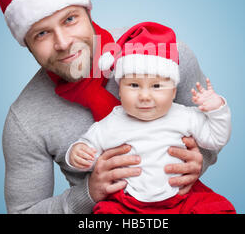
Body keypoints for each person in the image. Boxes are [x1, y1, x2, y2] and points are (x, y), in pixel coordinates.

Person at [0, 0, 219, 214]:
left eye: (70, 19)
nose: (63, 43)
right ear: (26, 45)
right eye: (41, 34)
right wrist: (88, 194)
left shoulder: (166, 56)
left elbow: (211, 129)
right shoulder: (26, 121)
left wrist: (200, 159)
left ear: (88, 13)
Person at [67, 22, 235, 214]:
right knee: (105, 213)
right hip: (127, 203)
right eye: (134, 85)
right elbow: (89, 152)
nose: (145, 96)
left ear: (173, 91)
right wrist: (77, 154)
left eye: (156, 86)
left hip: (181, 198)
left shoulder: (184, 116)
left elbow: (216, 139)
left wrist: (217, 109)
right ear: (120, 90)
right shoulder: (112, 123)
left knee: (219, 208)